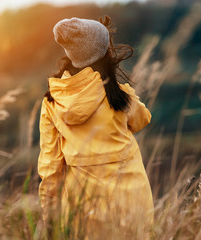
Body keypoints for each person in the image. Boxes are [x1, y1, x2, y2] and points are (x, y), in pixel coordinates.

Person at [38, 16, 154, 238]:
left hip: (83, 209)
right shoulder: (119, 95)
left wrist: (50, 217)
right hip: (134, 203)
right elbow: (142, 120)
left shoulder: (52, 101)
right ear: (103, 54)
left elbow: (50, 168)